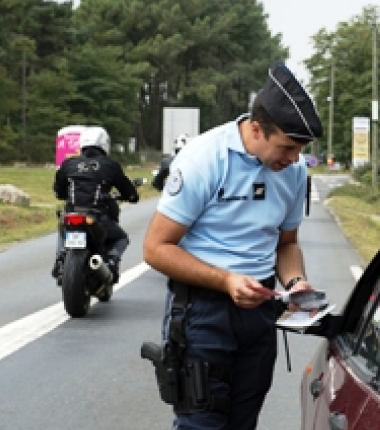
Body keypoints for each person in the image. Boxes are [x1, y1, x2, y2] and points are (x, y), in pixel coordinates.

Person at [142, 62, 323, 430]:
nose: (293, 159)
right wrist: (226, 281)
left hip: (259, 313)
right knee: (201, 425)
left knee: (243, 424)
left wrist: (295, 283)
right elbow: (156, 248)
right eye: (286, 147)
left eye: (300, 149)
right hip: (201, 313)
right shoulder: (204, 159)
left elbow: (286, 244)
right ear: (256, 129)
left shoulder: (294, 170)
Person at [52, 126, 140, 284]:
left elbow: (59, 191)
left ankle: (60, 259)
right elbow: (128, 191)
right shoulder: (110, 165)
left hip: (72, 214)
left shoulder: (69, 164)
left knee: (62, 227)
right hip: (98, 217)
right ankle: (111, 261)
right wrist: (131, 196)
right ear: (105, 144)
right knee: (121, 238)